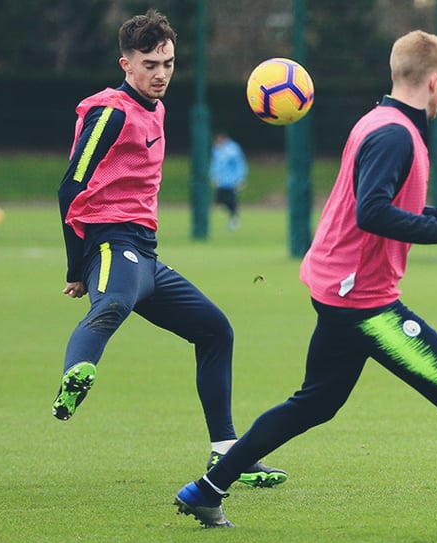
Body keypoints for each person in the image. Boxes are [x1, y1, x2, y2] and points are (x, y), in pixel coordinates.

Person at [173, 30, 437, 537]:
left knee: (315, 402)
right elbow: (373, 212)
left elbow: (395, 207)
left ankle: (206, 489)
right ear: (436, 82)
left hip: (338, 290)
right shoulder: (396, 134)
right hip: (363, 304)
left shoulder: (381, 121)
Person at [53, 9, 286, 488]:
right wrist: (77, 267)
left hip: (145, 253)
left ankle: (225, 454)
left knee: (216, 331)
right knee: (113, 303)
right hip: (112, 243)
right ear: (126, 64)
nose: (160, 74)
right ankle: (76, 374)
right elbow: (69, 187)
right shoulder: (110, 110)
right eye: (149, 64)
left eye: (168, 63)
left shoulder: (155, 108)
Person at [210, 132, 248, 231]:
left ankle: (234, 218)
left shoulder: (233, 149)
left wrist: (241, 178)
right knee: (220, 199)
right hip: (221, 181)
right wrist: (213, 176)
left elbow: (239, 164)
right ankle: (231, 215)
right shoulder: (217, 149)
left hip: (231, 181)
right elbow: (215, 164)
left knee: (231, 200)